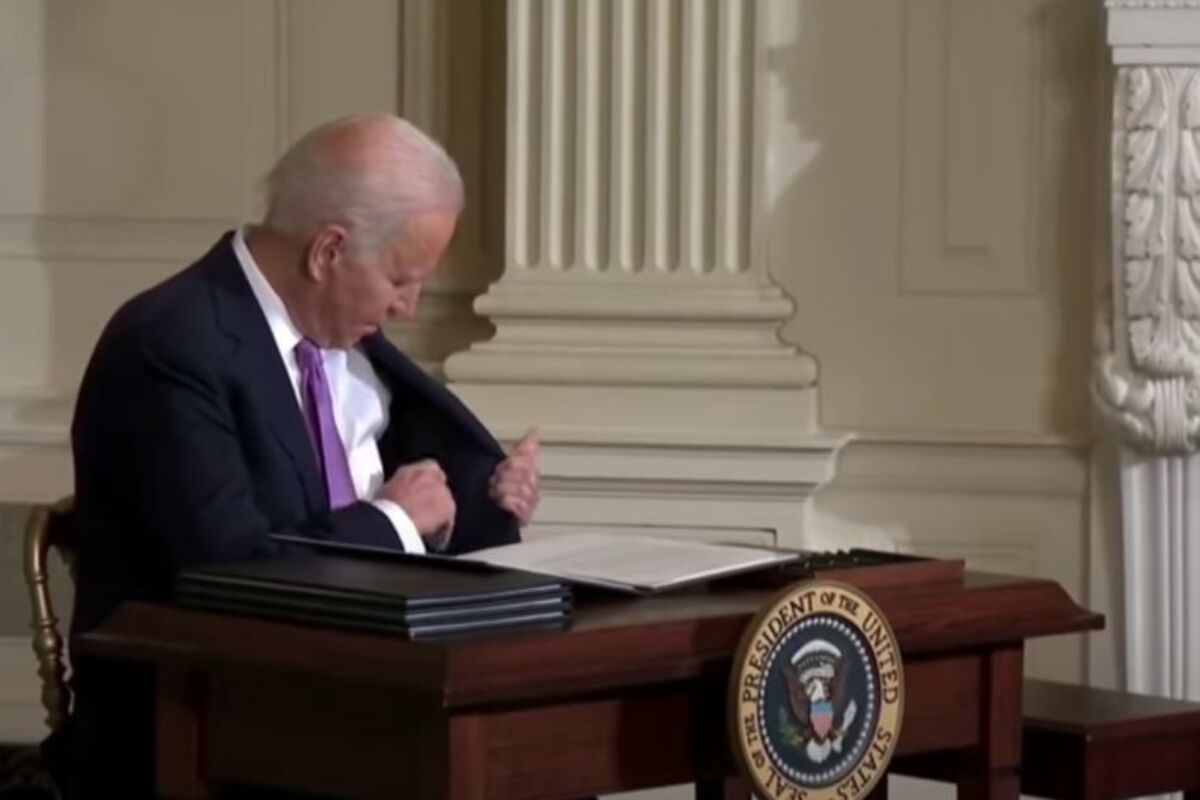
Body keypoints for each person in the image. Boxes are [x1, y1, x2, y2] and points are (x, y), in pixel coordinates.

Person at [46, 113, 540, 797]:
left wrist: (482, 501)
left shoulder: (347, 344)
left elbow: (413, 511)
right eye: (401, 278)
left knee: (536, 757)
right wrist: (396, 519)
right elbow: (227, 572)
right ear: (328, 252)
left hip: (360, 697)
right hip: (205, 725)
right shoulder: (170, 346)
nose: (409, 306)